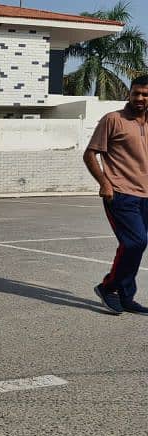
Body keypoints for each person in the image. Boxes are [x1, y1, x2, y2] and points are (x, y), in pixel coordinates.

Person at [83, 75, 148, 315]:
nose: (139, 98)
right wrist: (104, 183)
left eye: (145, 94)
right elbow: (90, 155)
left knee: (137, 247)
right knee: (135, 241)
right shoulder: (113, 120)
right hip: (120, 193)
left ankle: (126, 296)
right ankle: (107, 287)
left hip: (146, 196)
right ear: (129, 94)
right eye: (136, 93)